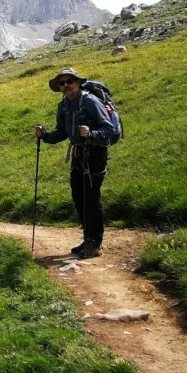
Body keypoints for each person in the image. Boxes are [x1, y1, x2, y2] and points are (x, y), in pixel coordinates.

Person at [34, 68, 116, 258]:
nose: (65, 86)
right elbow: (62, 132)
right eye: (62, 83)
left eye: (69, 81)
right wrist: (45, 136)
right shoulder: (63, 106)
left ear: (78, 83)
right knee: (79, 197)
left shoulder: (90, 101)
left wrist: (91, 134)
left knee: (91, 198)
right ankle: (88, 239)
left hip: (95, 154)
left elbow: (109, 130)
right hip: (79, 155)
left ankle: (95, 243)